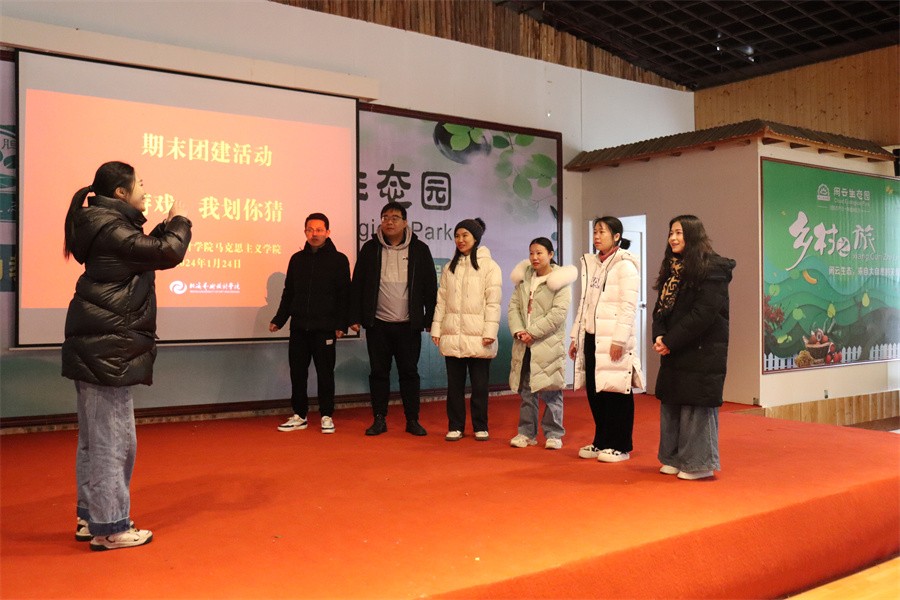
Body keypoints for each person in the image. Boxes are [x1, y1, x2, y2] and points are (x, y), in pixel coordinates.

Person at [62, 161, 192, 551]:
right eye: (140, 185)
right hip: (109, 349)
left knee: (96, 440)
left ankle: (92, 517)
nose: (145, 191)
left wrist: (162, 228)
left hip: (100, 347)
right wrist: (179, 221)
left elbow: (144, 253)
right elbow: (168, 252)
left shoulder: (104, 224)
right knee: (113, 442)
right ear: (120, 192)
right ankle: (110, 527)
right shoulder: (111, 228)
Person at [652, 215, 736, 480]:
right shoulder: (672, 269)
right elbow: (660, 309)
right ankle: (674, 458)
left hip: (701, 349)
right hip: (675, 347)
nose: (673, 238)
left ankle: (699, 464)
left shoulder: (713, 269)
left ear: (693, 235)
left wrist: (670, 341)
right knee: (673, 403)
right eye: (671, 233)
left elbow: (703, 314)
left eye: (679, 233)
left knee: (695, 406)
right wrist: (659, 335)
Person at [350, 202, 437, 436]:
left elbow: (430, 287)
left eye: (395, 218)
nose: (389, 222)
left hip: (409, 326)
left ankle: (412, 420)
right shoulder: (370, 249)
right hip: (378, 324)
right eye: (385, 217)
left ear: (405, 222)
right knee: (379, 373)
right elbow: (358, 284)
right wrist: (355, 316)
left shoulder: (420, 250)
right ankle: (379, 419)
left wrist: (430, 319)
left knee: (409, 373)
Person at [569, 216, 645, 463]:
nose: (597, 236)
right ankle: (601, 440)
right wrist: (576, 336)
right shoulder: (592, 264)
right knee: (595, 391)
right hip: (592, 336)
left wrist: (619, 340)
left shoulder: (625, 265)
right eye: (595, 231)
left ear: (616, 237)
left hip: (613, 339)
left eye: (602, 232)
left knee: (617, 390)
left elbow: (628, 306)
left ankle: (620, 445)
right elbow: (585, 303)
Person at [270, 213, 351, 434]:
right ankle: (300, 415)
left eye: (319, 230)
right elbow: (289, 293)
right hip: (299, 328)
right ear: (305, 231)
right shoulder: (297, 259)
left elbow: (344, 295)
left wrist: (341, 324)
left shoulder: (339, 260)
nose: (314, 234)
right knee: (298, 373)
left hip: (325, 328)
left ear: (328, 232)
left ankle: (326, 415)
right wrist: (279, 319)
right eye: (310, 230)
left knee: (325, 373)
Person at [431, 218, 502, 442]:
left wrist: (489, 332)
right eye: (457, 236)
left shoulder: (490, 266)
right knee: (454, 386)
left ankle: (480, 425)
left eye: (465, 235)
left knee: (480, 386)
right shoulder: (450, 267)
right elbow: (441, 301)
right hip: (453, 334)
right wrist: (437, 328)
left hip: (480, 336)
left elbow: (493, 302)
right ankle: (455, 426)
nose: (460, 240)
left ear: (476, 238)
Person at [508, 238, 577, 450]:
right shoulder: (524, 278)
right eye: (531, 253)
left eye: (539, 253)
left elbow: (558, 314)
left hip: (548, 343)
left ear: (550, 254)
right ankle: (526, 433)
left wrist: (533, 332)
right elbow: (514, 307)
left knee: (551, 391)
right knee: (526, 392)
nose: (535, 257)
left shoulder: (560, 280)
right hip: (524, 344)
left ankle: (554, 434)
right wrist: (519, 331)